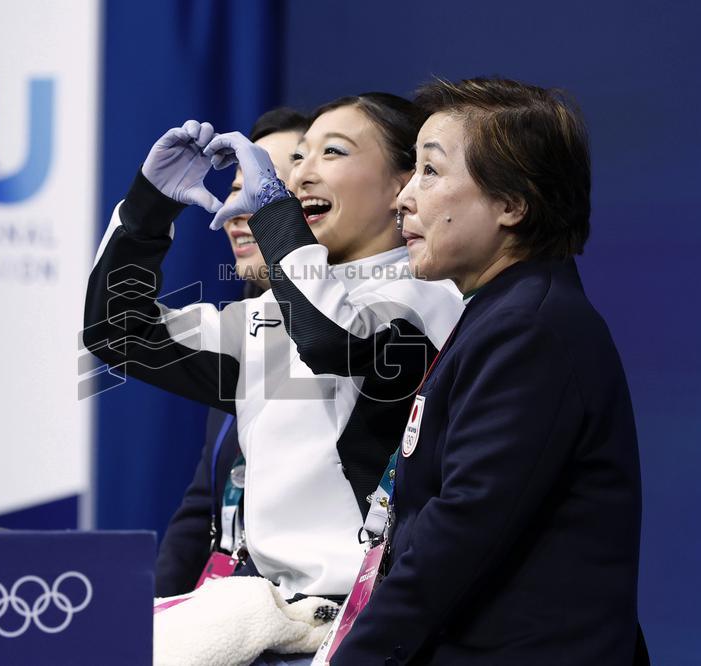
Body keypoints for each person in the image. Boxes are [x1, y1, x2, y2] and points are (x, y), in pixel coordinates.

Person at [83, 93, 462, 599]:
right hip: (273, 616)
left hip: (368, 621)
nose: (300, 175)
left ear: (402, 184)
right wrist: (148, 207)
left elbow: (333, 341)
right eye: (299, 157)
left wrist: (277, 220)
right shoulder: (268, 316)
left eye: (333, 152)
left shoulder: (430, 298)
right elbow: (119, 331)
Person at [320, 78, 645, 665]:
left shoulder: (531, 330)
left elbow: (460, 533)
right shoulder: (501, 315)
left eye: (431, 172)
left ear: (512, 205)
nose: (404, 199)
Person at [155, 108, 309, 597]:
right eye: (238, 185)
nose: (239, 209)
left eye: (268, 187)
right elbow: (202, 507)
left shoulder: (365, 333)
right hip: (223, 604)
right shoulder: (244, 326)